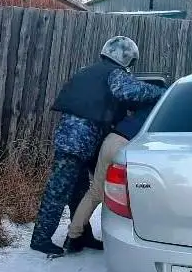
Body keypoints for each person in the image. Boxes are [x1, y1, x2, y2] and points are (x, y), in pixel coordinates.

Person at [30, 36, 166, 256]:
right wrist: (162, 93)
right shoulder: (114, 74)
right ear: (126, 58)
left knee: (79, 190)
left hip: (73, 138)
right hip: (79, 141)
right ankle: (40, 239)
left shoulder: (87, 71)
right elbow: (129, 92)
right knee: (59, 190)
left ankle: (81, 236)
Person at [64, 85, 166, 253]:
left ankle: (72, 237)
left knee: (95, 192)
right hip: (130, 146)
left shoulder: (146, 101)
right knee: (128, 196)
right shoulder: (167, 107)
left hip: (112, 139)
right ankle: (125, 240)